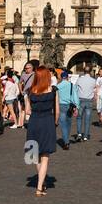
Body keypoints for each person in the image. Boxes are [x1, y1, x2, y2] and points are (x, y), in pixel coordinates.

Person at [24, 65, 57, 196]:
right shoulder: (53, 90)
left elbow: (27, 111)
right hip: (47, 121)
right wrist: (55, 122)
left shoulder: (31, 91)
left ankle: (41, 183)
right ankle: (39, 187)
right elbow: (57, 111)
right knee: (45, 156)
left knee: (35, 155)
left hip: (34, 122)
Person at [73, 67, 97, 141]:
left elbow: (75, 89)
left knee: (79, 117)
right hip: (89, 101)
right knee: (87, 119)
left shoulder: (79, 79)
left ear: (84, 72)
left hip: (80, 100)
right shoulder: (93, 80)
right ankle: (86, 136)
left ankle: (79, 133)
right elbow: (95, 90)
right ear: (90, 72)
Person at [55, 71, 78, 149]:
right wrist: (77, 107)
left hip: (61, 105)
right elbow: (75, 96)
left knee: (63, 124)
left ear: (61, 78)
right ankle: (66, 139)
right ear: (68, 77)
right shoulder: (71, 85)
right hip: (70, 106)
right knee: (68, 123)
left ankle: (66, 141)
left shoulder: (58, 86)